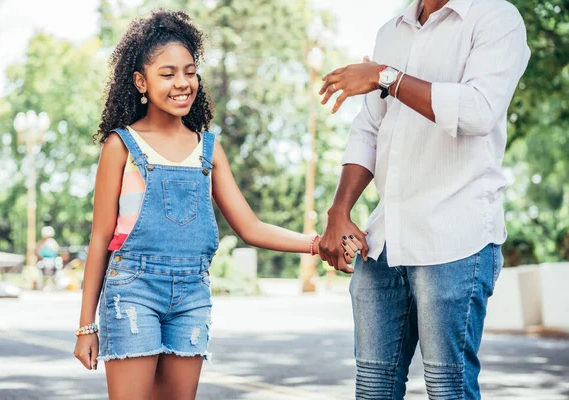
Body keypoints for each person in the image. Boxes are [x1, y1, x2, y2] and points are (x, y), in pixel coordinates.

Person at [73, 10, 360, 400]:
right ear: (141, 82)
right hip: (133, 291)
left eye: (190, 72)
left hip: (192, 294)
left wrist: (317, 243)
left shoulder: (208, 149)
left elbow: (251, 227)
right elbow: (100, 238)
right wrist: (86, 326)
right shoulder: (121, 145)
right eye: (168, 73)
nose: (182, 83)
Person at [317, 0, 530, 398]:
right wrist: (339, 211)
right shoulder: (391, 31)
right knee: (373, 389)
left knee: (448, 389)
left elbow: (479, 111)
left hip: (456, 238)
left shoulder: (496, 17)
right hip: (384, 243)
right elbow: (368, 131)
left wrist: (386, 76)